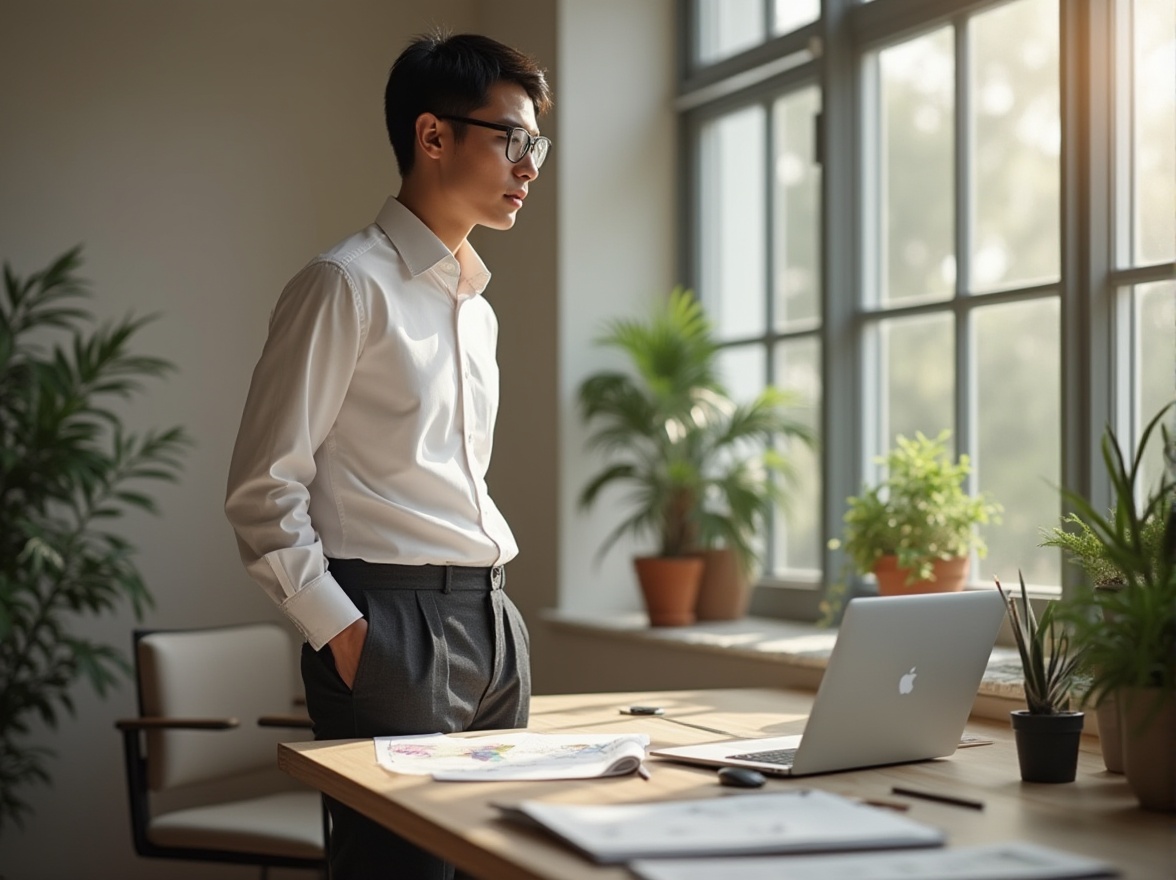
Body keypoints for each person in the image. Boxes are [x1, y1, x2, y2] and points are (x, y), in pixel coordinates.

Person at [224, 31, 552, 880]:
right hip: (390, 628)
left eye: (535, 144)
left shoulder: (477, 309)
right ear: (432, 135)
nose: (530, 164)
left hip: (492, 621)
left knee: (503, 864)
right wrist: (348, 637)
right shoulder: (344, 284)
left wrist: (495, 628)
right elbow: (263, 489)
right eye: (511, 139)